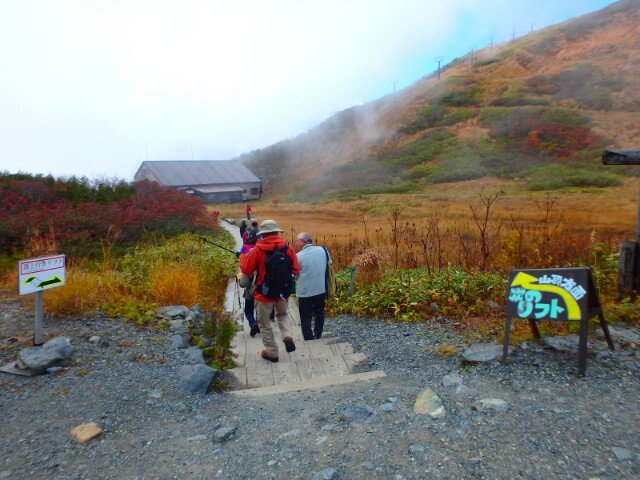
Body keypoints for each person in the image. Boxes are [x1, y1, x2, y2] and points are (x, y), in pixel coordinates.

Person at [239, 219, 299, 362]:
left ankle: (272, 353)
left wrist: (242, 257)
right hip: (282, 292)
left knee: (264, 324)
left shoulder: (258, 249)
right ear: (276, 232)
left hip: (264, 294)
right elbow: (296, 269)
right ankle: (287, 337)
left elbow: (247, 269)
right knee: (283, 315)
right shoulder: (288, 247)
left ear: (263, 234)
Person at [294, 232, 329, 340]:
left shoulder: (298, 256)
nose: (296, 244)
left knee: (305, 315)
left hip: (305, 292)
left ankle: (308, 337)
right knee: (319, 312)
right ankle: (318, 333)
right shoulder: (323, 250)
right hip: (320, 288)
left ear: (303, 241)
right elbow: (328, 264)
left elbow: (295, 274)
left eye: (297, 241)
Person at [239, 233, 260, 336]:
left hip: (250, 291)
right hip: (262, 290)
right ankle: (259, 325)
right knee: (260, 310)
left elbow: (243, 283)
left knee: (248, 310)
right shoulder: (264, 256)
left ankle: (253, 323)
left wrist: (240, 278)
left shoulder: (248, 260)